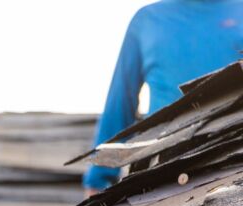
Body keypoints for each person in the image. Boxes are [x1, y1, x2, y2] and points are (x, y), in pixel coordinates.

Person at [85, 0, 243, 195]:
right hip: (163, 174)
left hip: (233, 171)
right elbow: (120, 104)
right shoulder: (147, 20)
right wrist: (98, 178)